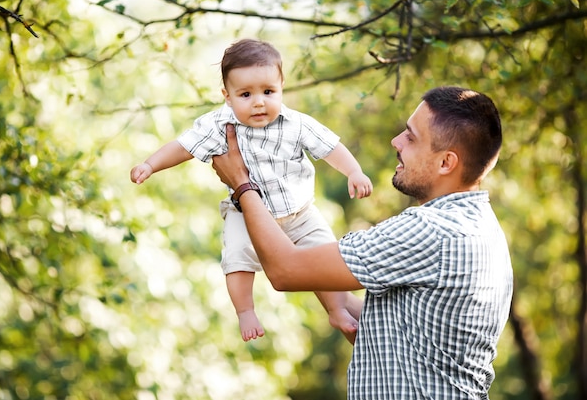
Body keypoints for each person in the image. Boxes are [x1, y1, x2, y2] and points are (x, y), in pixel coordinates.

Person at [211, 86, 514, 399]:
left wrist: (243, 184)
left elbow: (285, 271)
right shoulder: (483, 229)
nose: (396, 141)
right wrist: (336, 304)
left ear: (446, 162)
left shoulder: (431, 230)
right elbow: (402, 334)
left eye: (411, 137)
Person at [130, 39, 373, 343]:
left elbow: (330, 147)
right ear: (227, 97)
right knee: (236, 257)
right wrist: (150, 165)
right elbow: (183, 146)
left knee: (324, 256)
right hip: (246, 215)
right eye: (245, 94)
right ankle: (245, 310)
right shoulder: (218, 123)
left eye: (268, 92)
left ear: (281, 87)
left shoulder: (296, 123)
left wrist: (353, 171)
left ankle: (337, 310)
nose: (259, 102)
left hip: (300, 213)